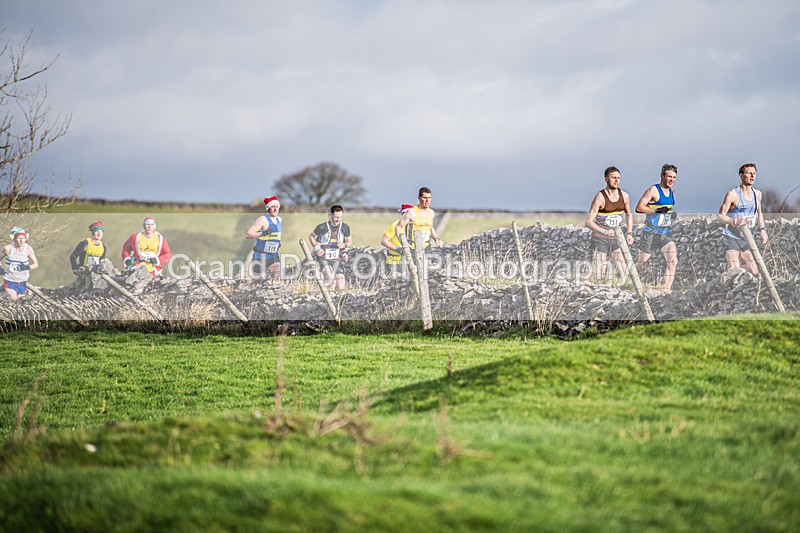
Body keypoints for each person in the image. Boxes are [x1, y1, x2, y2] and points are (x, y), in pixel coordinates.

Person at [635, 163, 679, 293]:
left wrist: (670, 215)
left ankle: (665, 290)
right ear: (662, 176)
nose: (671, 180)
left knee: (673, 260)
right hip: (650, 232)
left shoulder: (672, 191)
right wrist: (658, 210)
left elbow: (668, 209)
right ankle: (627, 276)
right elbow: (639, 208)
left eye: (674, 177)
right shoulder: (653, 190)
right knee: (642, 261)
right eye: (669, 176)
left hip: (665, 232)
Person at [717, 163, 767, 275]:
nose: (752, 176)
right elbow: (720, 215)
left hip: (747, 236)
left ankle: (726, 277)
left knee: (754, 270)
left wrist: (763, 230)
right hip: (731, 235)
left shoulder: (757, 194)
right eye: (749, 173)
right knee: (734, 269)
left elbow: (759, 213)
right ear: (741, 176)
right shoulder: (733, 194)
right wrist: (733, 221)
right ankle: (732, 276)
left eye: (754, 173)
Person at [585, 166, 634, 280]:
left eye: (618, 178)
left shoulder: (624, 196)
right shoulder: (600, 197)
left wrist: (629, 233)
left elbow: (629, 214)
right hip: (600, 238)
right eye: (613, 178)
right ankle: (599, 293)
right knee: (600, 272)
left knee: (623, 269)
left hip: (616, 238)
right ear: (606, 179)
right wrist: (604, 231)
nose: (617, 181)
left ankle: (624, 293)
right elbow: (588, 222)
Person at [309, 205, 352, 290]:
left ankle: (339, 299)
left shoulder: (345, 227)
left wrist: (344, 245)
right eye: (336, 217)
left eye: (340, 217)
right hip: (324, 258)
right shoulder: (322, 227)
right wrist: (317, 249)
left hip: (337, 258)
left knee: (340, 280)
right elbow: (311, 236)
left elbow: (349, 241)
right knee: (331, 280)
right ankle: (327, 299)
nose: (338, 220)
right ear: (330, 216)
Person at [245, 196, 282, 280]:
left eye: (277, 207)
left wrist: (278, 243)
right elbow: (249, 234)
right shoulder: (262, 220)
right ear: (268, 208)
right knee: (256, 282)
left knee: (277, 276)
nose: (275, 209)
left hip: (273, 255)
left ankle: (274, 292)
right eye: (273, 207)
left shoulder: (279, 220)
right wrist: (263, 233)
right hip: (260, 256)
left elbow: (275, 236)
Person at [0, 227, 39, 300]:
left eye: (23, 238)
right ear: (14, 239)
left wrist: (28, 267)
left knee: (21, 300)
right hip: (10, 281)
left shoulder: (28, 249)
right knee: (13, 298)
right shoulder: (7, 249)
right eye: (19, 238)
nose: (21, 241)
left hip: (23, 282)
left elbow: (36, 264)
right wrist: (0, 268)